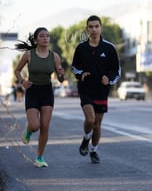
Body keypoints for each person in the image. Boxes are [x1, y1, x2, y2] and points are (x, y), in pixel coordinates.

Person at [71, 15, 121, 164]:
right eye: (91, 27)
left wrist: (109, 79)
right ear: (87, 29)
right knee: (90, 119)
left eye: (96, 26)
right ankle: (86, 139)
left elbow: (116, 70)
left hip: (101, 90)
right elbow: (74, 67)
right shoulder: (81, 48)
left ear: (101, 28)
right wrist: (81, 73)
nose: (93, 29)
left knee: (97, 124)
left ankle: (93, 150)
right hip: (86, 88)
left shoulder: (109, 48)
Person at [14, 27, 65, 167]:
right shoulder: (28, 55)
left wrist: (61, 74)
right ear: (36, 40)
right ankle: (29, 130)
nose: (45, 38)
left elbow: (61, 78)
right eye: (42, 36)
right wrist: (22, 81)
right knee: (35, 125)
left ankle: (39, 157)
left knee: (45, 126)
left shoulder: (54, 56)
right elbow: (17, 70)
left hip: (47, 91)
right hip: (32, 90)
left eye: (47, 36)